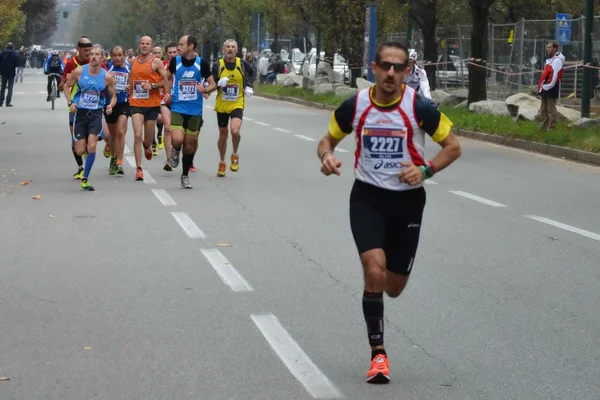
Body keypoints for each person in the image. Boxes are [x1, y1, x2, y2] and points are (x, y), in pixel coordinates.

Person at [316, 41, 461, 384]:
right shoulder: (356, 105)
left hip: (408, 202)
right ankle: (378, 354)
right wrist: (325, 157)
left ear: (407, 72)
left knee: (393, 286)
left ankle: (382, 293)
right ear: (374, 68)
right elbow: (326, 141)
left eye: (399, 68)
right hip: (366, 198)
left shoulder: (420, 107)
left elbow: (453, 146)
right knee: (374, 271)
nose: (392, 73)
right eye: (386, 66)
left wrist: (426, 170)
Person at [163, 35, 215, 189]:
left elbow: (213, 84)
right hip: (178, 107)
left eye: (181, 44)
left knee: (189, 146)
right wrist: (168, 94)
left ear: (191, 46)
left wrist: (205, 89)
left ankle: (185, 176)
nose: (178, 48)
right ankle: (175, 150)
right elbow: (167, 78)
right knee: (178, 140)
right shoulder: (175, 62)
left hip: (195, 110)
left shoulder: (201, 64)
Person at [63, 45, 117, 191]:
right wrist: (70, 101)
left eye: (97, 54)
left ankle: (85, 179)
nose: (93, 56)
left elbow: (113, 96)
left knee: (92, 146)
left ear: (102, 57)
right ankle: (86, 144)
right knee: (80, 150)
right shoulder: (80, 71)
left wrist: (111, 105)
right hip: (80, 114)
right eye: (91, 54)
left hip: (96, 114)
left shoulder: (107, 77)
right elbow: (66, 86)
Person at [207, 39, 255, 177]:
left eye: (233, 47)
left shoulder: (242, 63)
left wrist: (249, 85)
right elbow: (211, 82)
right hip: (222, 104)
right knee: (223, 135)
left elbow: (252, 73)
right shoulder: (218, 65)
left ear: (236, 50)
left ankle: (234, 154)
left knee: (235, 131)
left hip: (237, 102)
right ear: (223, 50)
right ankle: (222, 162)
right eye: (227, 47)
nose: (230, 49)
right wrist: (218, 83)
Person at [126, 35, 169, 181]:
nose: (144, 46)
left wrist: (152, 86)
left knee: (147, 139)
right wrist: (128, 87)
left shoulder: (156, 62)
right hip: (136, 103)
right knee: (137, 134)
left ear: (151, 46)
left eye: (147, 44)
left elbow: (166, 80)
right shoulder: (133, 61)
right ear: (139, 45)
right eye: (142, 43)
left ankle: (148, 146)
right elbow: (131, 79)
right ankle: (139, 169)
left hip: (152, 104)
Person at [61, 37, 94, 179]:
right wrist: (67, 82)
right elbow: (63, 85)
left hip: (92, 106)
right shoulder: (70, 63)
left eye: (90, 50)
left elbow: (106, 77)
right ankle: (80, 167)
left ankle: (87, 167)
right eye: (85, 50)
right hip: (75, 106)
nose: (88, 54)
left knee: (89, 139)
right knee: (76, 139)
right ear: (78, 49)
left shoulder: (94, 62)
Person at [106, 45, 130, 176]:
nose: (117, 58)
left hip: (124, 103)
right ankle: (113, 159)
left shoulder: (129, 68)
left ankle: (120, 162)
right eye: (114, 55)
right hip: (110, 103)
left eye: (119, 55)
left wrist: (129, 87)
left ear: (124, 55)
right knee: (112, 135)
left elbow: (134, 83)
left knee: (121, 131)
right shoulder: (107, 69)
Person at [157, 42, 178, 171]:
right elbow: (158, 80)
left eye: (174, 52)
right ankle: (169, 159)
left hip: (180, 102)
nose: (172, 55)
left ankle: (177, 151)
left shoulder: (183, 65)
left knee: (180, 133)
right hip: (165, 100)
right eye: (170, 52)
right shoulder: (162, 66)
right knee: (167, 128)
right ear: (166, 54)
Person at [537, 41, 565, 131]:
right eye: (547, 47)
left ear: (555, 48)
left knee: (551, 108)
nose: (547, 49)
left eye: (549, 47)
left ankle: (552, 127)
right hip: (544, 86)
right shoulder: (549, 60)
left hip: (551, 87)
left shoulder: (557, 61)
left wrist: (548, 86)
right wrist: (542, 85)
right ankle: (544, 125)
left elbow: (555, 76)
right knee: (543, 108)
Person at [0, 42, 19, 107]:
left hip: (4, 72)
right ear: (12, 47)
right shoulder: (15, 54)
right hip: (11, 73)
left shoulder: (2, 53)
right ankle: (8, 102)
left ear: (6, 46)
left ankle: (1, 101)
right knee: (10, 88)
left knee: (2, 87)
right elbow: (16, 64)